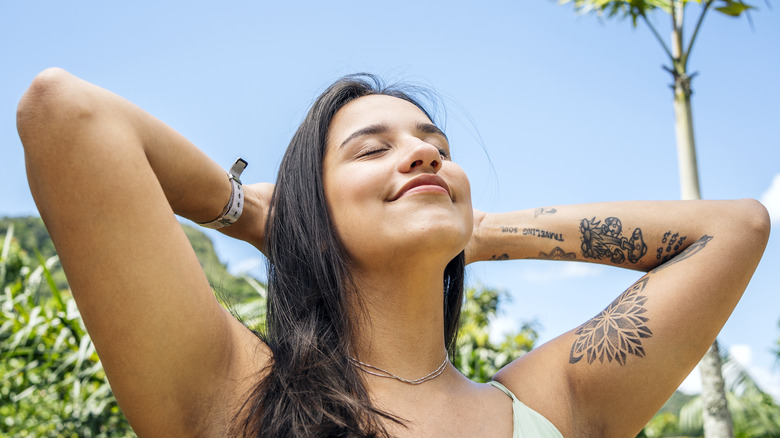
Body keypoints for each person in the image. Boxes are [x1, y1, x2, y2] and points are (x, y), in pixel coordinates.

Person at [17, 68, 769, 438]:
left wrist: (479, 234)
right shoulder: (232, 394)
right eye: (373, 149)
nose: (421, 157)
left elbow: (734, 230)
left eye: (436, 147)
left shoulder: (552, 406)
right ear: (314, 211)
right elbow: (63, 112)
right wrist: (252, 215)